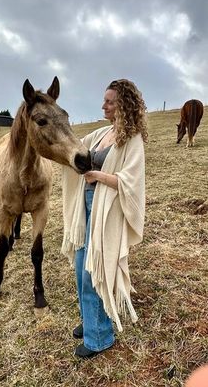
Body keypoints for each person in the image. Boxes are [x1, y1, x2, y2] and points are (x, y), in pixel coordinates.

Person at [61, 78, 148, 358]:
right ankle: (91, 320)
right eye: (104, 100)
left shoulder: (131, 139)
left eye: (109, 101)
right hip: (86, 207)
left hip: (106, 211)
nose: (104, 105)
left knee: (93, 270)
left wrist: (97, 176)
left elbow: (131, 181)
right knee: (80, 268)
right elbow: (72, 148)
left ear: (123, 104)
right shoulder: (101, 133)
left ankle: (99, 337)